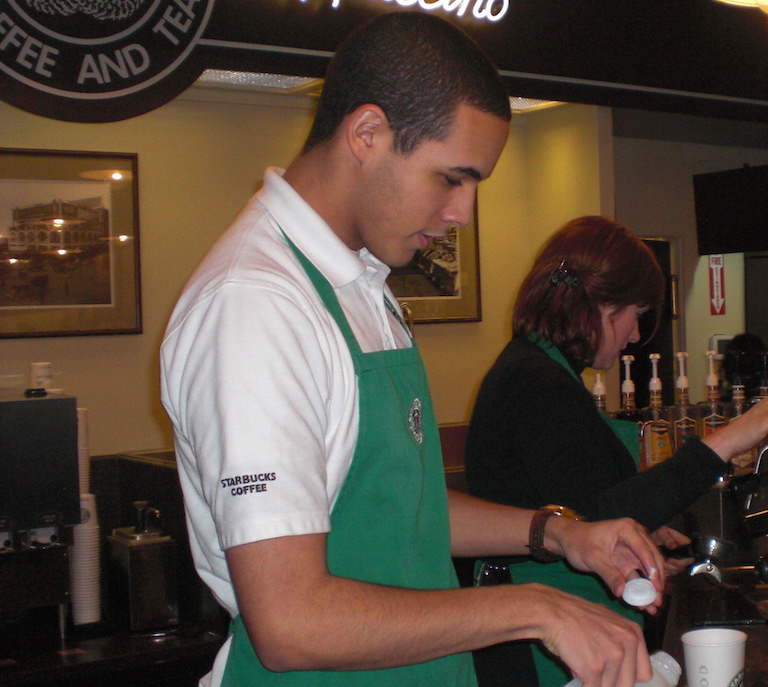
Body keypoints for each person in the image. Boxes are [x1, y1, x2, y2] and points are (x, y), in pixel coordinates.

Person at [159, 13, 668, 687]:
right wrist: (535, 607)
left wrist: (559, 534)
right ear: (367, 134)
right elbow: (290, 621)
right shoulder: (255, 305)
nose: (463, 211)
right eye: (452, 178)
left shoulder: (363, 284)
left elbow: (406, 509)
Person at [464, 216, 768, 686]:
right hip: (537, 644)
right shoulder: (534, 383)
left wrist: (646, 533)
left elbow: (580, 497)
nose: (634, 334)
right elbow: (596, 519)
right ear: (598, 305)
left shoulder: (544, 374)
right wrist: (732, 436)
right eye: (635, 313)